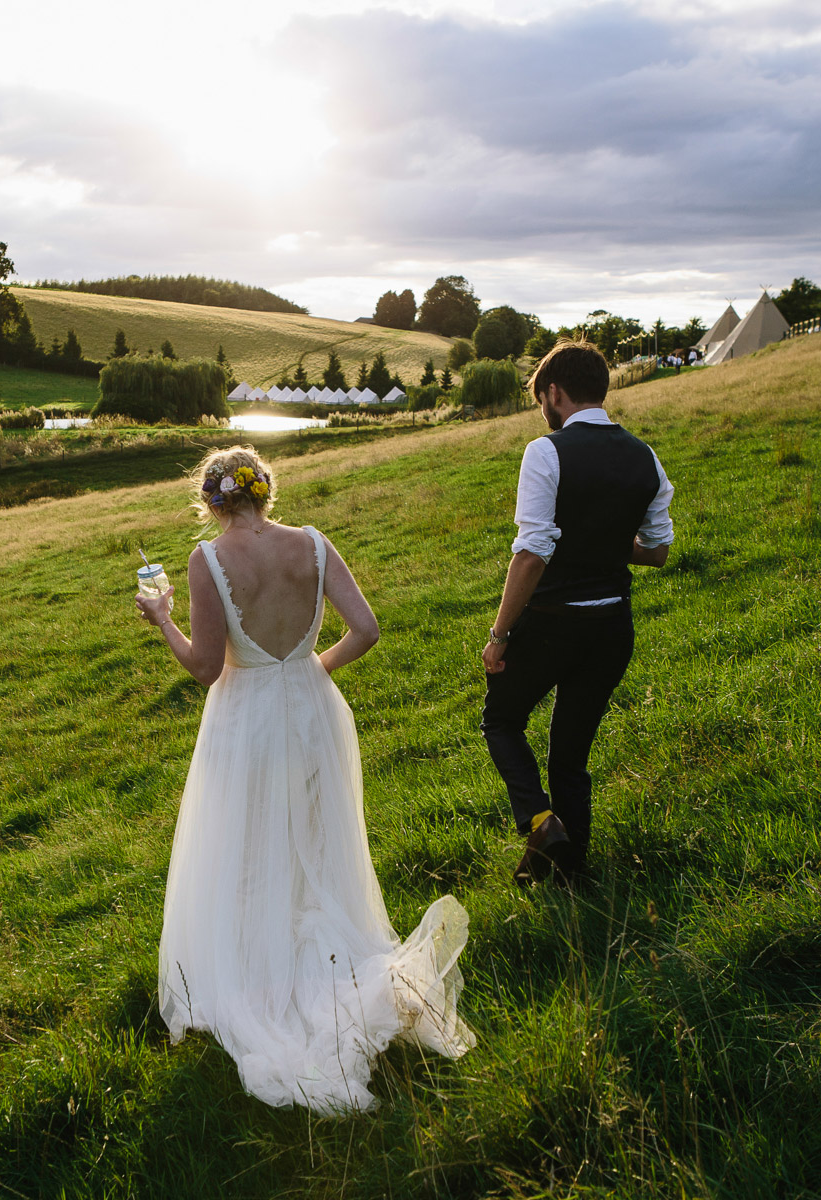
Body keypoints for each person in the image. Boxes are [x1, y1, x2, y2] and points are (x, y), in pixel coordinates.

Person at [134, 446, 474, 1113]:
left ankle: (260, 970)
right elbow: (367, 629)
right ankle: (322, 953)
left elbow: (206, 668)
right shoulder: (314, 544)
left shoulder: (207, 562)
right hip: (314, 710)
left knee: (248, 847)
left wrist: (163, 620)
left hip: (248, 716)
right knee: (314, 844)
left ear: (211, 500)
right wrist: (315, 667)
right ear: (264, 490)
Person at [481, 341, 674, 886]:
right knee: (571, 754)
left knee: (501, 719)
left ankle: (541, 822)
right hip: (612, 627)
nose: (543, 409)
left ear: (554, 393)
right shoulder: (647, 457)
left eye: (542, 398)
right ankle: (569, 875)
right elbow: (656, 552)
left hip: (550, 625)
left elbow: (533, 551)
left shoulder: (546, 452)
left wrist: (499, 635)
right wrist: (607, 540)